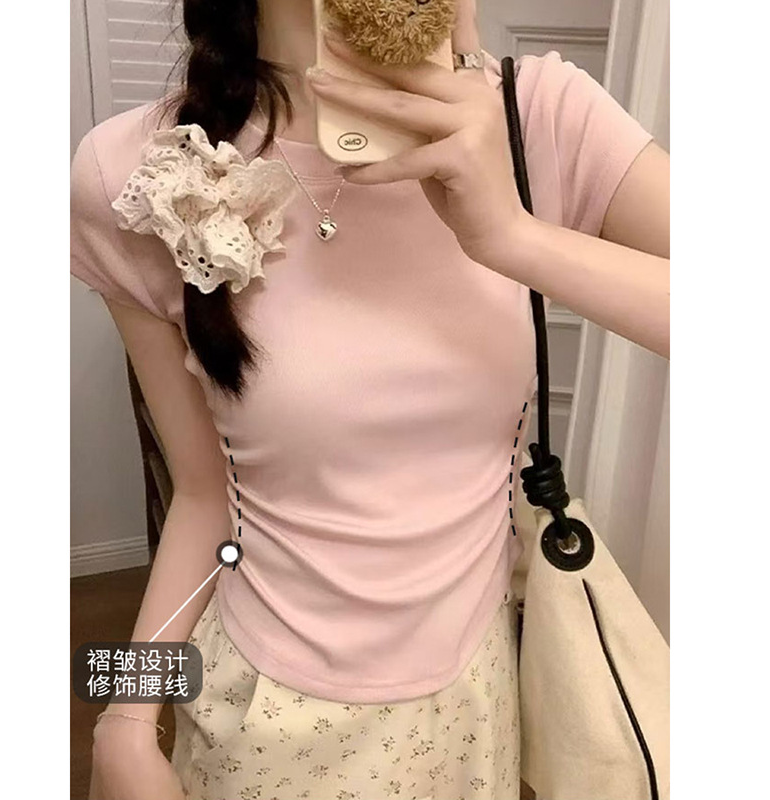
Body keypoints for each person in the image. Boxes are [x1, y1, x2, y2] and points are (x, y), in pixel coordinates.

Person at [70, 0, 669, 798]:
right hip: (265, 724)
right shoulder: (137, 171)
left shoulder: (539, 118)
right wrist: (125, 717)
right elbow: (204, 494)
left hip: (475, 708)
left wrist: (513, 237)